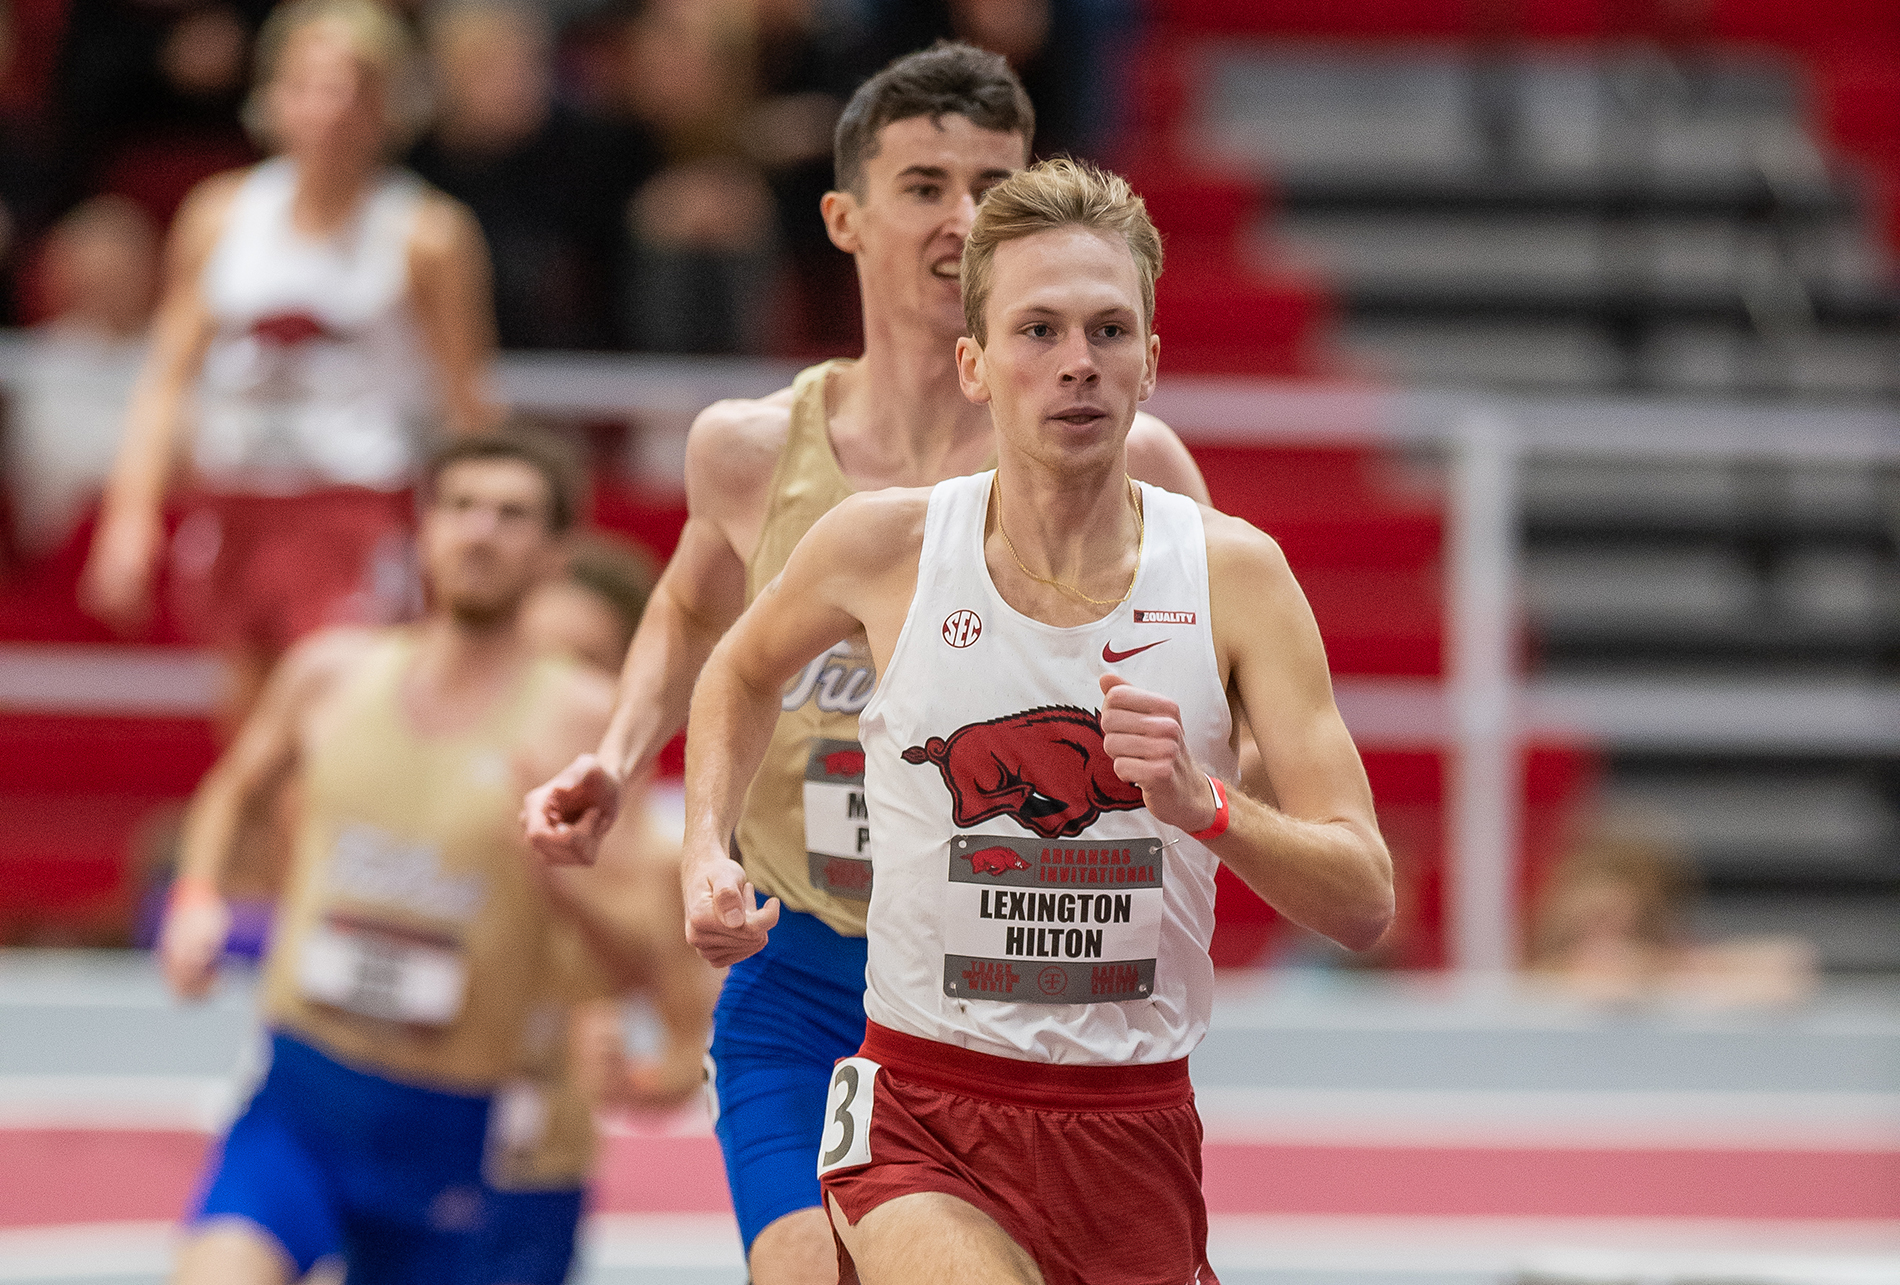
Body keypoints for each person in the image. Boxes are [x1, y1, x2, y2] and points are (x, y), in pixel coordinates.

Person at [522, 43, 1209, 1285]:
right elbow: (690, 619)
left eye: (991, 184)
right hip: (803, 961)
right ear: (843, 216)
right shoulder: (751, 450)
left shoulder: (1128, 458)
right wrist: (621, 762)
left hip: (1006, 975)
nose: (962, 218)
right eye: (925, 184)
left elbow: (1221, 700)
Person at [679, 158, 1395, 1285]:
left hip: (1133, 1126)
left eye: (1110, 330)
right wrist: (701, 851)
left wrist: (1203, 807)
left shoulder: (1237, 576)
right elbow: (735, 668)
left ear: (1151, 363)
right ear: (974, 363)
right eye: (1038, 330)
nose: (1076, 363)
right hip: (921, 1108)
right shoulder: (887, 547)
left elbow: (1362, 896)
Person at [156, 433, 681, 1285]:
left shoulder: (582, 722)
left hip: (460, 1126)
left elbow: (649, 951)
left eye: (512, 516)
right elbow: (233, 790)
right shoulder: (329, 672)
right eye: (461, 507)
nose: (480, 532)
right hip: (303, 1097)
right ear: (422, 527)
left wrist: (563, 883)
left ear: (552, 553)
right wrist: (198, 895)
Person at [80, 0, 496, 723]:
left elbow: (467, 399)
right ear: (272, 97)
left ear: (386, 106)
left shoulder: (427, 234)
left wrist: (470, 524)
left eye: (351, 89)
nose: (327, 110)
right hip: (237, 496)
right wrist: (130, 514)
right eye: (307, 86)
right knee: (246, 735)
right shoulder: (220, 215)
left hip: (357, 501)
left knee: (333, 726)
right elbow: (167, 377)